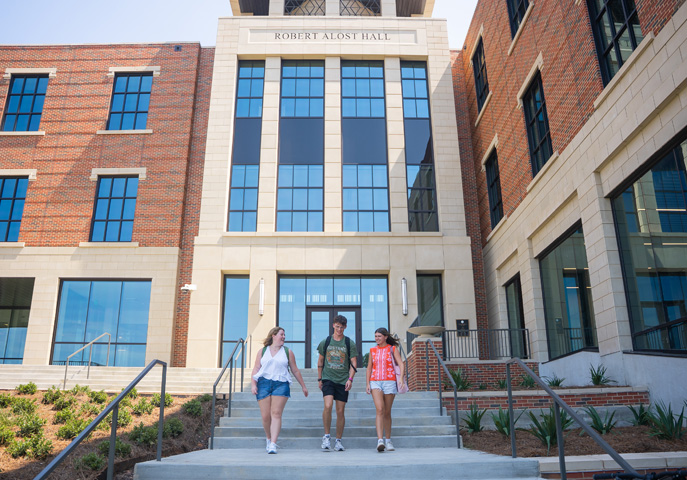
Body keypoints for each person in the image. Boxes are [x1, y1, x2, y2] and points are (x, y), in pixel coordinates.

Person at [251, 326, 308, 454]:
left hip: (281, 384)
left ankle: (273, 444)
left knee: (276, 413)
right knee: (266, 416)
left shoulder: (288, 352)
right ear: (273, 335)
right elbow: (256, 369)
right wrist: (253, 384)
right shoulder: (262, 351)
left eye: (284, 335)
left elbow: (295, 370)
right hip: (263, 383)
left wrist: (303, 386)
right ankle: (268, 438)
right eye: (281, 334)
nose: (283, 337)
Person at [317, 315, 358, 452]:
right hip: (328, 378)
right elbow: (321, 361)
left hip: (342, 380)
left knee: (340, 411)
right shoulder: (326, 341)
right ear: (333, 325)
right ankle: (327, 436)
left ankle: (338, 441)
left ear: (345, 327)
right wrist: (319, 378)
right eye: (337, 326)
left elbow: (353, 362)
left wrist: (350, 379)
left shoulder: (349, 343)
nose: (339, 329)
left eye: (342, 327)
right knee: (328, 405)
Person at [365, 327, 404, 452]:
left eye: (379, 336)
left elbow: (401, 364)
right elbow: (369, 367)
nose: (377, 338)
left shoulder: (392, 349)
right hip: (375, 381)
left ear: (385, 337)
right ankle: (380, 440)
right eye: (375, 336)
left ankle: (388, 440)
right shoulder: (372, 350)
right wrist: (367, 384)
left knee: (387, 412)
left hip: (390, 381)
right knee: (380, 409)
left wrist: (401, 379)